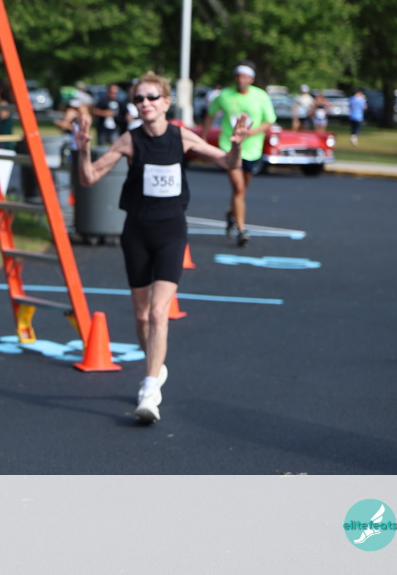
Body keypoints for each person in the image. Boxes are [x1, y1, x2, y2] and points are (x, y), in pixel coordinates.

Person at [74, 72, 248, 423]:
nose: (145, 103)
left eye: (152, 97)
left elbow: (230, 163)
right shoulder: (130, 140)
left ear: (167, 102)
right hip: (136, 232)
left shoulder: (181, 137)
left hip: (171, 232)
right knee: (141, 316)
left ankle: (149, 388)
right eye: (139, 99)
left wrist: (236, 144)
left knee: (158, 313)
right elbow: (89, 178)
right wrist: (84, 149)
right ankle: (155, 365)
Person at [201, 61, 276, 247]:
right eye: (238, 76)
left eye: (245, 77)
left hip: (252, 149)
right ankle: (242, 230)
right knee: (239, 188)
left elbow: (269, 121)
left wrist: (251, 132)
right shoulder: (224, 96)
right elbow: (211, 114)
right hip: (230, 147)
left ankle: (232, 213)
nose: (240, 80)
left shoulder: (260, 96)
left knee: (241, 190)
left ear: (251, 79)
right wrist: (203, 138)